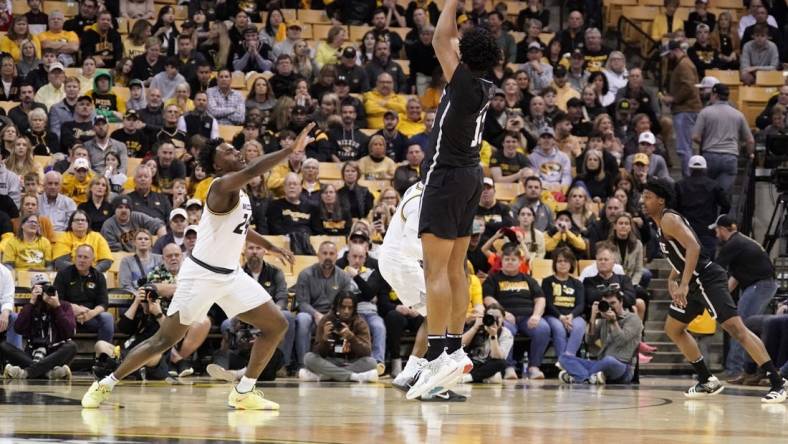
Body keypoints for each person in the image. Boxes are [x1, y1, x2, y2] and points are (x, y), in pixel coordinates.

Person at [81, 125, 315, 410]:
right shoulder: (220, 186)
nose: (235, 151)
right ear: (216, 164)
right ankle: (105, 384)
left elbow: (239, 228)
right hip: (201, 276)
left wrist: (271, 246)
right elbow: (255, 170)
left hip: (230, 274)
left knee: (277, 324)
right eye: (227, 151)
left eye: (233, 148)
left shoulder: (238, 192)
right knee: (163, 340)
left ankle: (244, 392)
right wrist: (291, 150)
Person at [407, 0, 499, 400]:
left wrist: (450, 3)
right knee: (457, 268)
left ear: (464, 56)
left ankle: (440, 353)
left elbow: (442, 36)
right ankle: (456, 350)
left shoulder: (462, 83)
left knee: (436, 272)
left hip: (447, 178)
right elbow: (450, 41)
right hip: (470, 177)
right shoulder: (483, 84)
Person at [641, 177, 787, 402]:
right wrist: (673, 278)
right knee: (673, 328)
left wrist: (684, 283)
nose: (643, 200)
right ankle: (706, 379)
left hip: (706, 279)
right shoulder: (660, 224)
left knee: (736, 329)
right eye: (643, 196)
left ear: (661, 200)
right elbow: (680, 255)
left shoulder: (669, 219)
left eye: (648, 197)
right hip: (694, 283)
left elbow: (694, 247)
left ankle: (777, 381)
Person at [710, 215, 778, 379]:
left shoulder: (734, 244)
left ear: (724, 229)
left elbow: (715, 270)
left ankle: (735, 369)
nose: (716, 234)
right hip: (762, 285)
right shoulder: (742, 242)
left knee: (739, 327)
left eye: (717, 230)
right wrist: (721, 298)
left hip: (760, 286)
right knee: (745, 327)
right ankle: (747, 370)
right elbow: (736, 276)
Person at [558, 284, 642, 385]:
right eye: (606, 303)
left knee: (609, 360)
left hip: (623, 368)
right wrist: (593, 317)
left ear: (621, 302)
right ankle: (588, 379)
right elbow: (589, 340)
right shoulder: (603, 320)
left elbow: (621, 340)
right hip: (600, 365)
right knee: (564, 357)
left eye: (613, 303)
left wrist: (614, 322)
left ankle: (578, 376)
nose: (610, 307)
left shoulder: (633, 319)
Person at [0, 273, 77, 380]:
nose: (43, 292)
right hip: (32, 352)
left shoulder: (63, 305)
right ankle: (49, 373)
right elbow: (18, 328)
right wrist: (31, 303)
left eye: (45, 287)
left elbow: (70, 332)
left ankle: (25, 373)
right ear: (32, 291)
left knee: (72, 346)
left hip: (55, 353)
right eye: (38, 289)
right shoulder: (30, 307)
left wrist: (57, 307)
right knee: (3, 346)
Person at [294, 241, 354, 372]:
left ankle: (341, 363)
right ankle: (302, 364)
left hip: (335, 315)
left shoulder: (344, 277)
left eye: (331, 253)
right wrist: (316, 314)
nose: (328, 256)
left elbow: (346, 303)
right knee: (302, 319)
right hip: (311, 314)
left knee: (348, 319)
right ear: (318, 255)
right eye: (324, 253)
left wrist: (330, 316)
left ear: (337, 256)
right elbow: (302, 303)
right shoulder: (305, 274)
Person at [298, 291, 378, 383]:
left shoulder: (360, 323)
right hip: (330, 361)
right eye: (343, 307)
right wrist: (324, 339)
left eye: (350, 308)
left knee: (372, 362)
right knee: (308, 358)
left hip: (351, 362)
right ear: (336, 307)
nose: (346, 311)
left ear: (354, 309)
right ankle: (354, 376)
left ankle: (326, 376)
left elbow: (367, 352)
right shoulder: (326, 320)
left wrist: (352, 338)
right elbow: (317, 353)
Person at [53, 245, 114, 359]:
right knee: (56, 315)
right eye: (79, 256)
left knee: (107, 318)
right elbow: (57, 299)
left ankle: (104, 359)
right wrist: (74, 308)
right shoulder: (63, 274)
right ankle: (57, 359)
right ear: (74, 258)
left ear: (92, 260)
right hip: (68, 316)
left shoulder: (98, 276)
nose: (81, 260)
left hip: (90, 317)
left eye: (85, 257)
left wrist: (91, 313)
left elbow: (103, 303)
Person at [692, 84, 754, 196]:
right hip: (730, 157)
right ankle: (724, 213)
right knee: (723, 194)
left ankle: (710, 213)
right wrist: (750, 154)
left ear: (715, 95)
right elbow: (750, 140)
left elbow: (695, 136)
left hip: (709, 156)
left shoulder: (705, 112)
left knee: (708, 192)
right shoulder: (738, 115)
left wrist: (706, 143)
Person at [661, 40, 702, 177]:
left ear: (674, 51)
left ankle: (689, 178)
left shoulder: (684, 65)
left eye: (668, 55)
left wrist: (673, 99)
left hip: (686, 110)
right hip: (685, 109)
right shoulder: (683, 64)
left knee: (684, 148)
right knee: (684, 147)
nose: (667, 58)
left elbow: (688, 87)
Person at [542, 247, 586, 358]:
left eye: (566, 261)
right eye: (559, 261)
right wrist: (560, 317)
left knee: (579, 326)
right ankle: (563, 360)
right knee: (559, 328)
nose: (562, 264)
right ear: (554, 264)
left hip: (573, 315)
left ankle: (568, 358)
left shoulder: (577, 283)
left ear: (571, 264)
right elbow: (548, 304)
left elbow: (581, 305)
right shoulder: (547, 281)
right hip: (553, 315)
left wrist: (571, 316)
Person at [118, 229, 163, 293]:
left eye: (146, 239)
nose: (143, 241)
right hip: (135, 297)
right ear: (134, 242)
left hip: (156, 296)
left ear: (151, 243)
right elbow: (125, 285)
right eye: (140, 239)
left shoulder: (160, 259)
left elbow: (164, 280)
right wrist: (138, 296)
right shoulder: (126, 261)